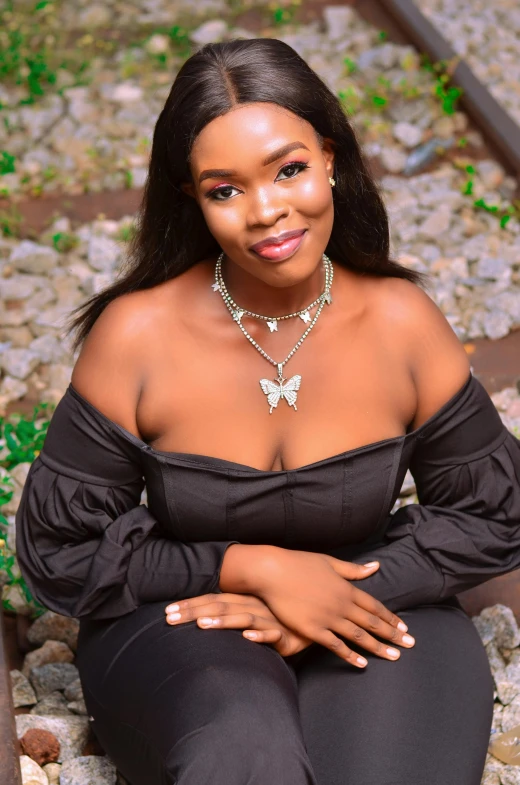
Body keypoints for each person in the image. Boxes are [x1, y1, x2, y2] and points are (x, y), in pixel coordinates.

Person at [15, 38, 520, 785]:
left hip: (372, 592)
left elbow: (493, 514)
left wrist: (335, 590)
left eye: (289, 169)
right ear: (192, 197)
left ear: (331, 159)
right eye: (226, 190)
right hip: (180, 613)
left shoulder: (400, 320)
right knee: (243, 756)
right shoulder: (139, 334)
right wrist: (247, 566)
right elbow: (58, 548)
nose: (268, 212)